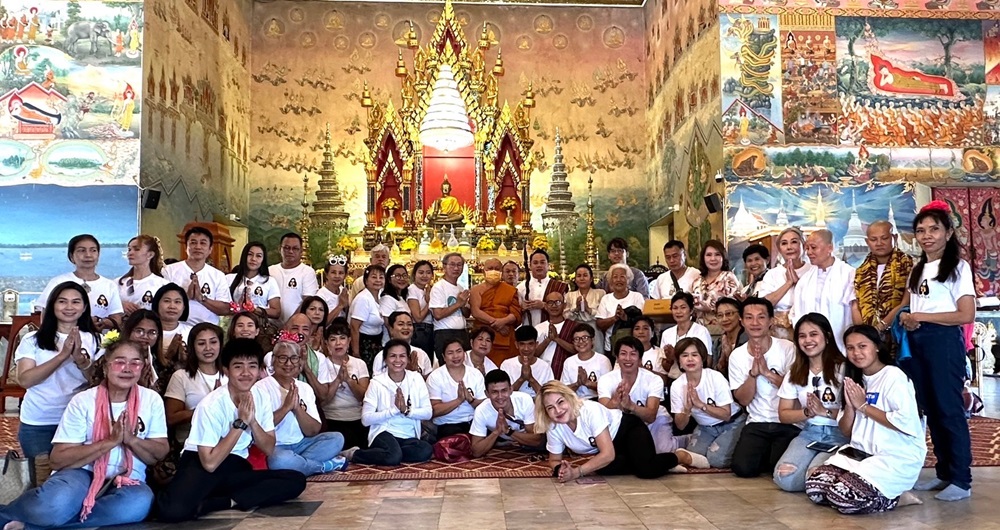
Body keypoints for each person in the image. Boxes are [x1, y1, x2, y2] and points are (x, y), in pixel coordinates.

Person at [0, 340, 169, 530]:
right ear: (106, 366)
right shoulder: (83, 400)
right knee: (55, 505)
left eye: (135, 363)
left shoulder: (151, 400)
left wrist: (131, 440)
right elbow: (58, 460)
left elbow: (158, 454)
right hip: (81, 472)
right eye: (120, 362)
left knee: (138, 505)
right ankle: (6, 516)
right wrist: (110, 442)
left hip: (127, 477)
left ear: (143, 367)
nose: (127, 369)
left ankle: (32, 527)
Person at [156, 339, 307, 522]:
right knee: (172, 511)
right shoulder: (211, 405)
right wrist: (241, 423)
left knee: (295, 480)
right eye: (238, 366)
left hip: (236, 465)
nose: (246, 373)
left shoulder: (261, 397)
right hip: (200, 462)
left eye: (252, 366)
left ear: (260, 370)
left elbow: (268, 448)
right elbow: (210, 463)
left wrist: (252, 422)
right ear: (226, 370)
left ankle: (222, 502)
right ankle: (195, 491)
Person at [899, 201, 976, 501]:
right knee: (931, 409)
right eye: (921, 231)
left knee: (949, 408)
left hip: (943, 341)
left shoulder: (957, 267)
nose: (927, 236)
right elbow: (913, 306)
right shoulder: (918, 268)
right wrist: (907, 318)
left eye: (934, 229)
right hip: (918, 342)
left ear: (948, 232)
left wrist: (921, 317)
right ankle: (944, 473)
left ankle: (962, 479)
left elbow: (965, 314)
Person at [805, 325, 926, 514]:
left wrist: (863, 406)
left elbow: (905, 422)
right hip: (860, 453)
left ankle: (897, 499)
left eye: (862, 346)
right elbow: (847, 430)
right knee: (815, 489)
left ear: (876, 346)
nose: (856, 353)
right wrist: (851, 407)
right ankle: (866, 489)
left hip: (894, 456)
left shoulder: (893, 376)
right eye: (850, 348)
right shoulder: (854, 378)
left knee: (842, 498)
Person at [15, 282, 101, 476]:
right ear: (52, 305)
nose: (69, 307)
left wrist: (81, 361)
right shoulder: (33, 339)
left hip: (79, 420)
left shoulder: (95, 340)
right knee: (41, 478)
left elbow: (98, 383)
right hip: (39, 421)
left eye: (76, 302)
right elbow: (25, 380)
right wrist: (62, 356)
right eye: (62, 301)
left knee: (74, 478)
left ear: (84, 307)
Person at [538, 381, 700, 481]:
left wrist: (577, 472)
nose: (558, 410)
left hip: (627, 429)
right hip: (610, 445)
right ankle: (659, 464)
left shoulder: (589, 410)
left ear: (570, 398)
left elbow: (608, 454)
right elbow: (554, 460)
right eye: (550, 408)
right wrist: (561, 469)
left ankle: (679, 456)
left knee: (646, 470)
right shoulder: (553, 426)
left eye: (560, 402)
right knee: (603, 468)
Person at [773, 313, 849, 492]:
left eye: (813, 334)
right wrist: (807, 412)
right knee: (784, 478)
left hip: (840, 433)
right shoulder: (795, 372)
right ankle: (816, 477)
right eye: (802, 336)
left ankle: (818, 476)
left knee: (815, 478)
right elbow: (784, 414)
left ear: (827, 337)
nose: (808, 340)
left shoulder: (844, 368)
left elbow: (856, 414)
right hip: (809, 433)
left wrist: (825, 411)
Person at [728, 297, 799, 478]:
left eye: (761, 317)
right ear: (741, 321)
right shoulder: (737, 356)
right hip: (757, 422)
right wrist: (753, 375)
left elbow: (796, 391)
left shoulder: (787, 348)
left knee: (778, 468)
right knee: (742, 469)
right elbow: (743, 400)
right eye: (749, 317)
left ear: (771, 321)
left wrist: (767, 373)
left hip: (787, 422)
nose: (755, 323)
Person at [255, 339, 348, 476]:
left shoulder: (305, 388)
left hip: (302, 444)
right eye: (282, 358)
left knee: (336, 438)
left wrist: (297, 408)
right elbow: (258, 428)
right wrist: (286, 407)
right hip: (276, 446)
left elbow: (313, 431)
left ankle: (298, 464)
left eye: (294, 358)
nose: (288, 364)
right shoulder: (260, 388)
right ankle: (322, 466)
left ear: (300, 362)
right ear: (273, 360)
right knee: (278, 460)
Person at [598, 337, 692, 457]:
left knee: (661, 451)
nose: (628, 358)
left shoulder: (654, 379)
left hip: (655, 420)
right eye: (623, 354)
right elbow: (602, 414)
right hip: (623, 423)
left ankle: (686, 440)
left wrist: (631, 406)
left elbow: (651, 416)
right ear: (617, 358)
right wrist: (615, 401)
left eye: (633, 354)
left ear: (640, 359)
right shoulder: (605, 380)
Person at [351, 340, 434, 466]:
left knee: (426, 450)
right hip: (384, 432)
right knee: (393, 457)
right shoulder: (376, 382)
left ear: (408, 359)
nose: (398, 360)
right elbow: (366, 419)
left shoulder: (416, 378)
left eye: (402, 356)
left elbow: (428, 413)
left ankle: (391, 453)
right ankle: (355, 454)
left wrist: (406, 410)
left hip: (408, 434)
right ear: (385, 359)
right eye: (393, 356)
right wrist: (393, 410)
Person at [671, 337, 743, 468]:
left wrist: (701, 405)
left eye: (694, 355)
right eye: (685, 355)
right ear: (679, 362)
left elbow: (726, 415)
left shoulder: (715, 377)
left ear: (702, 359)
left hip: (731, 422)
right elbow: (680, 425)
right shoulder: (677, 385)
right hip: (705, 427)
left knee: (716, 460)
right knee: (694, 455)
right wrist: (686, 410)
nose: (690, 359)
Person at [35, 234, 124, 332]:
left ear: (98, 255)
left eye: (93, 250)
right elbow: (45, 314)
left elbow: (117, 318)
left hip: (99, 339)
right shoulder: (58, 282)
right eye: (82, 250)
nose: (88, 255)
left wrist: (101, 322)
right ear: (71, 256)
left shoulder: (109, 285)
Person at [792, 230, 856, 352]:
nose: (809, 252)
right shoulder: (805, 279)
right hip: (810, 343)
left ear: (830, 248)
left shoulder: (849, 274)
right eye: (807, 248)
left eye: (813, 247)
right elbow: (797, 312)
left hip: (839, 341)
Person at [165, 323, 227, 446]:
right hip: (191, 444)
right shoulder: (181, 376)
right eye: (201, 343)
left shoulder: (230, 375)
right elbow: (171, 418)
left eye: (213, 342)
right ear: (193, 347)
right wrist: (208, 406)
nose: (208, 348)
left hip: (226, 442)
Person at [851, 221, 913, 337]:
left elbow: (906, 302)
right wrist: (864, 333)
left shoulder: (909, 265)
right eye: (873, 239)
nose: (879, 243)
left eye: (884, 238)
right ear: (867, 242)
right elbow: (856, 306)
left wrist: (881, 326)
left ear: (894, 237)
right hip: (869, 335)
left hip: (900, 332)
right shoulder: (861, 271)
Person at [162, 227, 232, 325]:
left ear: (210, 249)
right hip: (176, 327)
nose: (198, 247)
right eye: (193, 242)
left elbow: (225, 309)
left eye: (203, 243)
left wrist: (202, 298)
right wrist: (186, 296)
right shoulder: (169, 271)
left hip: (207, 329)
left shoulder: (218, 275)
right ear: (186, 247)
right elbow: (160, 303)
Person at [469, 369, 544, 457]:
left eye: (504, 390)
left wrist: (508, 431)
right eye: (494, 392)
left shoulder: (524, 400)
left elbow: (537, 440)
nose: (500, 397)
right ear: (487, 394)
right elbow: (476, 452)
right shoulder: (481, 410)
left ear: (511, 390)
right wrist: (496, 432)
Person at [321, 318, 370, 451]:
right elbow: (323, 401)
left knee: (368, 446)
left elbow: (363, 397)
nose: (338, 343)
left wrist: (348, 380)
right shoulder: (322, 364)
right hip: (332, 418)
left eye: (342, 338)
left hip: (358, 417)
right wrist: (337, 380)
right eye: (333, 339)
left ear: (349, 341)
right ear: (326, 343)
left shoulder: (359, 364)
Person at [758, 227, 813, 340]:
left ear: (803, 245)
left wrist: (798, 284)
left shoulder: (812, 270)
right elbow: (763, 305)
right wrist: (788, 283)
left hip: (808, 330)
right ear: (779, 249)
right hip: (778, 334)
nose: (789, 247)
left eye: (794, 242)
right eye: (784, 243)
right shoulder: (772, 274)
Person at [427, 339, 487, 438]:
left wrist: (471, 400)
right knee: (459, 439)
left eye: (459, 351)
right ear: (444, 357)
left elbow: (484, 406)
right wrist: (459, 400)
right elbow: (434, 411)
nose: (455, 356)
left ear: (464, 354)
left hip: (474, 421)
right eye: (450, 353)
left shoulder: (475, 374)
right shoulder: (435, 377)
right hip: (447, 424)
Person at [470, 258, 521, 366]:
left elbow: (516, 313)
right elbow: (476, 312)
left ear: (501, 272)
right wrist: (497, 324)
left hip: (506, 336)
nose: (493, 271)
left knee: (507, 367)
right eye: (490, 268)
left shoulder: (510, 290)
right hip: (483, 333)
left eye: (497, 269)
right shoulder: (476, 290)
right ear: (484, 271)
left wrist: (502, 321)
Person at [225, 242, 281, 325]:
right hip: (234, 324)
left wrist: (254, 309)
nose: (253, 259)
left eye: (258, 256)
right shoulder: (229, 278)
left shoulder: (269, 281)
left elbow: (276, 312)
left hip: (259, 326)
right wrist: (236, 307)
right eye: (250, 254)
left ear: (263, 259)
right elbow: (221, 305)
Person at [268, 233, 319, 323]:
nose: (290, 251)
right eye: (286, 248)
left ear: (301, 251)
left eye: (295, 248)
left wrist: (291, 323)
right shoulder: (270, 270)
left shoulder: (307, 272)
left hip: (296, 325)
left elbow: (307, 302)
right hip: (270, 324)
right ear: (279, 249)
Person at [691, 239, 742, 330]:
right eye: (709, 255)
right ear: (703, 258)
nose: (713, 258)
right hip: (700, 331)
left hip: (723, 330)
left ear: (723, 257)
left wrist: (710, 308)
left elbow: (734, 307)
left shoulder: (729, 278)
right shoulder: (697, 281)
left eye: (717, 254)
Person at [430, 253, 471, 363]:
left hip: (462, 332)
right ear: (444, 266)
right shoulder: (439, 287)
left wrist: (464, 305)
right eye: (452, 264)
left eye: (459, 265)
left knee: (464, 364)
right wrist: (458, 303)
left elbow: (466, 314)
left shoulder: (460, 287)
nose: (456, 268)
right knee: (448, 365)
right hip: (445, 333)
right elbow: (438, 314)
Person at [595, 264, 646, 353]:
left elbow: (644, 321)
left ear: (628, 280)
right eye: (615, 277)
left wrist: (626, 317)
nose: (618, 280)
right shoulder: (606, 298)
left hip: (635, 346)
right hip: (611, 347)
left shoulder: (637, 297)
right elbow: (599, 324)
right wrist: (615, 318)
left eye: (622, 276)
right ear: (610, 281)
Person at [371, 312, 435, 378]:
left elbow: (428, 381)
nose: (406, 327)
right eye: (400, 324)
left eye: (409, 324)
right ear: (391, 329)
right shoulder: (382, 356)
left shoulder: (421, 353)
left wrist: (415, 373)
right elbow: (377, 381)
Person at [659, 292, 713, 368]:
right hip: (673, 375)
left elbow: (708, 362)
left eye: (683, 307)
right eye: (675, 308)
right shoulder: (666, 333)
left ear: (691, 310)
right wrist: (669, 360)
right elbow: (665, 367)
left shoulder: (701, 331)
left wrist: (675, 356)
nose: (678, 311)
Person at [117, 235, 167, 316]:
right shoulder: (118, 283)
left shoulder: (162, 285)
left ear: (150, 255)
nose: (130, 253)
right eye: (129, 249)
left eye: (136, 249)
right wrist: (120, 305)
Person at [559, 324, 612, 400]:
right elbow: (563, 390)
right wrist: (577, 384)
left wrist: (587, 383)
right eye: (576, 339)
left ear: (592, 340)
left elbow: (609, 389)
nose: (581, 341)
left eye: (585, 338)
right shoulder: (568, 362)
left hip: (597, 401)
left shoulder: (603, 360)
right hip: (575, 401)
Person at [517, 249, 568, 327]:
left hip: (554, 330)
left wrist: (544, 305)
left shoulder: (559, 286)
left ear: (548, 265)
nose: (539, 265)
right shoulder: (521, 287)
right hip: (529, 331)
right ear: (530, 265)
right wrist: (521, 308)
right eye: (535, 263)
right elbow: (515, 314)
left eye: (542, 262)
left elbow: (567, 312)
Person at [350, 265, 386, 372]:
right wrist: (356, 353)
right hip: (364, 344)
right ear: (366, 280)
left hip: (376, 343)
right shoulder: (363, 299)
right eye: (374, 277)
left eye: (381, 277)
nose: (378, 280)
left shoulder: (380, 296)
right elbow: (354, 327)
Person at [500, 326, 554, 398]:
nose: (526, 349)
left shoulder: (545, 367)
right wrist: (521, 379)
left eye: (530, 344)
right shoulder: (507, 365)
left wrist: (531, 379)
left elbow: (549, 396)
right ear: (516, 345)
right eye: (522, 344)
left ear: (536, 344)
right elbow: (503, 395)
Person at [564, 263, 607, 355]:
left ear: (591, 279)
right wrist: (576, 309)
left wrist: (588, 309)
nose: (582, 278)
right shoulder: (569, 295)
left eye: (585, 275)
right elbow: (565, 317)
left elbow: (604, 315)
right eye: (579, 276)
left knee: (597, 355)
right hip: (576, 330)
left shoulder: (600, 293)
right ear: (575, 279)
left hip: (595, 329)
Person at [533, 291, 577, 378]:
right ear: (545, 306)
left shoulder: (572, 326)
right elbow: (533, 353)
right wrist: (548, 339)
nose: (554, 306)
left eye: (558, 302)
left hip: (565, 372)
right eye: (550, 302)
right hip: (542, 372)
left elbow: (576, 350)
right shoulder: (538, 327)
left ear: (564, 305)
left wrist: (557, 339)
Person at [119, 310, 163, 391]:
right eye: (139, 331)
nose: (145, 336)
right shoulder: (113, 360)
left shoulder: (162, 365)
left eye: (152, 332)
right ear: (129, 332)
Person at [152, 283, 191, 372]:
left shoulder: (191, 331)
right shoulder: (148, 331)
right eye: (167, 301)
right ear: (157, 304)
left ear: (184, 307)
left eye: (177, 302)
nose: (172, 306)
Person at [711, 297, 748, 376]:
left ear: (740, 316)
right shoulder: (718, 343)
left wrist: (729, 356)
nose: (724, 319)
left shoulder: (749, 340)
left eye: (728, 314)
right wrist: (722, 362)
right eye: (720, 315)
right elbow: (714, 375)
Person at [406, 260, 435, 354]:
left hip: (429, 329)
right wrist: (430, 302)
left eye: (428, 273)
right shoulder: (412, 290)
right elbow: (418, 318)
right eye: (421, 272)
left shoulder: (427, 290)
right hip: (419, 330)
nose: (424, 276)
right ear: (414, 274)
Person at [317, 255, 350, 323]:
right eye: (333, 272)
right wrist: (340, 306)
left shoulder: (343, 291)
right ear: (326, 274)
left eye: (341, 273)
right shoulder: (320, 296)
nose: (337, 276)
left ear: (345, 275)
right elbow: (321, 323)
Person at [380, 264, 411, 329]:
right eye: (397, 276)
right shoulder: (387, 299)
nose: (402, 279)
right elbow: (387, 324)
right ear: (389, 279)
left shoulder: (401, 297)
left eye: (404, 275)